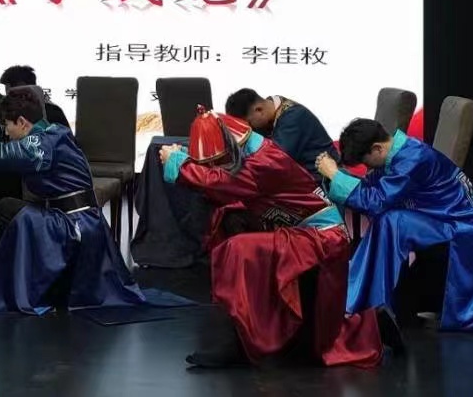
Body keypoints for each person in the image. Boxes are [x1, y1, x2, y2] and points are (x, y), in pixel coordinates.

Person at [159, 110, 389, 370]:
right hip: (295, 229)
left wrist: (178, 163)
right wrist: (184, 158)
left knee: (237, 250)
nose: (216, 165)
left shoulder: (264, 162)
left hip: (321, 236)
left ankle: (237, 341)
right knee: (225, 221)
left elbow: (221, 181)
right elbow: (222, 176)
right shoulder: (250, 151)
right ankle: (242, 333)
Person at [316, 118, 473, 333]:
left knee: (391, 221)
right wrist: (336, 175)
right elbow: (370, 189)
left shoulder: (412, 158)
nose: (367, 169)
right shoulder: (399, 154)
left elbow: (375, 201)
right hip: (442, 218)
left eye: (365, 162)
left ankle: (367, 302)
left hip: (465, 227)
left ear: (377, 148)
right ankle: (367, 300)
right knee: (390, 221)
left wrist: (335, 175)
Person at [0, 86, 146, 314]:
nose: (6, 131)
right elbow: (7, 136)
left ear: (22, 122)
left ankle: (37, 284)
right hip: (84, 220)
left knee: (7, 209)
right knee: (13, 209)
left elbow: (0, 155)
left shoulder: (39, 146)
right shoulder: (53, 132)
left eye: (8, 125)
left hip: (70, 225)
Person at [0, 66, 70, 248]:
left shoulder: (41, 129)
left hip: (52, 197)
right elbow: (2, 132)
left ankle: (2, 243)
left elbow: (1, 152)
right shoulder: (45, 117)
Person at [224, 89, 336, 176]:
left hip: (325, 180)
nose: (249, 130)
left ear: (259, 110)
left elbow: (275, 162)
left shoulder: (293, 117)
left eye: (249, 124)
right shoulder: (271, 109)